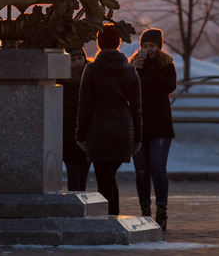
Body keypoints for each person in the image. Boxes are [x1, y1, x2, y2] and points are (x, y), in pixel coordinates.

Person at [76, 24, 142, 215]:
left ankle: (110, 222)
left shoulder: (92, 70)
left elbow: (84, 105)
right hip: (123, 131)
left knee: (104, 180)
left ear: (98, 43)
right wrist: (136, 137)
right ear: (119, 43)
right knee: (109, 177)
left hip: (99, 131)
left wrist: (80, 135)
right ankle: (113, 219)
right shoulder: (130, 71)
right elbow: (137, 109)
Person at [129, 28, 177, 231]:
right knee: (141, 170)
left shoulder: (166, 64)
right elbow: (127, 89)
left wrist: (149, 69)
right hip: (138, 124)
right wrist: (134, 70)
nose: (147, 50)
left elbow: (168, 86)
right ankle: (145, 211)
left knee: (157, 167)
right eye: (144, 46)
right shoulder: (133, 65)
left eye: (151, 46)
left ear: (159, 46)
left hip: (160, 125)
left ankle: (162, 210)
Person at [61, 47, 92, 191]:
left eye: (80, 58)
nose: (78, 62)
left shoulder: (91, 76)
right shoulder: (61, 80)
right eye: (73, 60)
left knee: (83, 174)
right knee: (74, 173)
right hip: (68, 135)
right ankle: (76, 206)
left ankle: (81, 206)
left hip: (87, 133)